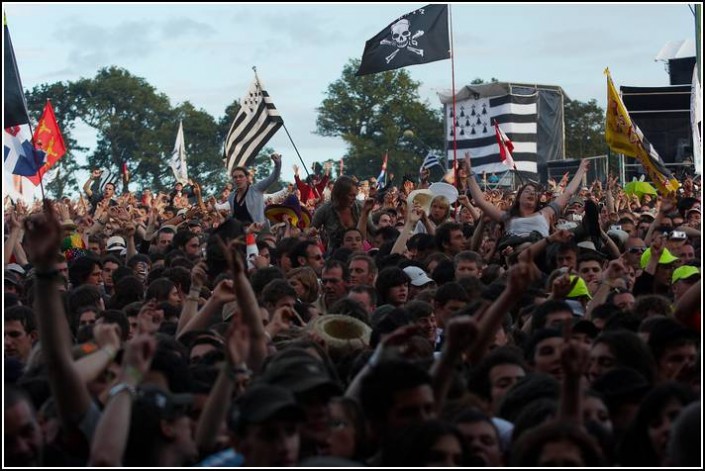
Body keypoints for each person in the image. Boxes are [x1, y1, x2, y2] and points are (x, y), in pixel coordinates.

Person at [464, 152, 589, 238]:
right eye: (527, 191)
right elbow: (480, 201)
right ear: (518, 198)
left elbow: (568, 192)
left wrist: (581, 170)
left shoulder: (546, 213)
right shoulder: (507, 217)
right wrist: (469, 174)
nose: (531, 193)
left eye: (534, 192)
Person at [225, 153, 282, 225]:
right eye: (235, 177)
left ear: (246, 178)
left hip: (259, 233)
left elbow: (273, 178)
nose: (238, 179)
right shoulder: (231, 197)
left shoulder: (256, 189)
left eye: (241, 176)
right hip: (242, 234)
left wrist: (278, 165)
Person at [312, 176, 362, 251]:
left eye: (355, 195)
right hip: (334, 256)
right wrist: (311, 231)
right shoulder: (325, 210)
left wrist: (365, 213)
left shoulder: (359, 207)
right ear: (340, 195)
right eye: (351, 195)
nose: (354, 198)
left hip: (357, 254)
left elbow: (371, 232)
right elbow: (310, 228)